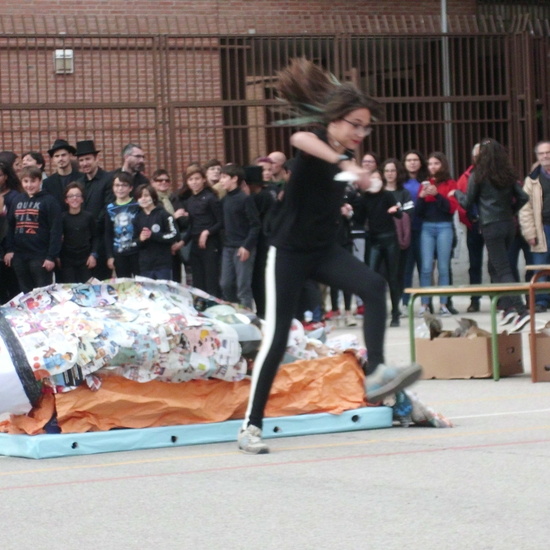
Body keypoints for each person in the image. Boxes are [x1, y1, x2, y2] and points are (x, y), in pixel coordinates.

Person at [238, 58, 421, 454]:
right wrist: (345, 165)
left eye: (365, 126)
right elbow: (298, 141)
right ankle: (251, 427)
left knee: (374, 287)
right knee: (276, 339)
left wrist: (366, 182)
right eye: (354, 124)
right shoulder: (317, 144)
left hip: (322, 251)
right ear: (335, 120)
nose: (360, 132)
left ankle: (375, 375)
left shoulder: (346, 159)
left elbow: (350, 181)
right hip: (286, 253)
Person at [453, 138, 530, 331]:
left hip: (490, 226)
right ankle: (507, 308)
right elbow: (523, 197)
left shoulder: (477, 175)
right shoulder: (507, 174)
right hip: (508, 225)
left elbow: (467, 202)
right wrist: (511, 212)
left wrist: (456, 193)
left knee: (502, 269)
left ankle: (521, 311)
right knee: (495, 268)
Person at [3, 166, 62, 293]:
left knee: (43, 293)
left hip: (40, 257)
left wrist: (51, 256)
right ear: (21, 182)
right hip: (19, 256)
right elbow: (10, 226)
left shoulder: (50, 201)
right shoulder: (17, 200)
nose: (29, 185)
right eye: (25, 181)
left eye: (33, 181)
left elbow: (56, 231)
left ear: (40, 181)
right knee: (25, 293)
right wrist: (10, 249)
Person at [415, 151, 457, 316]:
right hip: (427, 227)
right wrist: (421, 197)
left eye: (436, 163)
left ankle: (443, 305)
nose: (432, 167)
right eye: (430, 164)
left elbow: (451, 208)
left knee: (443, 267)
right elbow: (418, 212)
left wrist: (437, 195)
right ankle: (425, 304)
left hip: (444, 226)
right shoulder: (425, 184)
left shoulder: (450, 183)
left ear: (443, 165)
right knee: (426, 267)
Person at [219, 163, 261, 310]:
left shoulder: (245, 199)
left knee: (243, 286)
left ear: (234, 178)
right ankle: (235, 312)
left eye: (224, 177)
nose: (221, 181)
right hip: (228, 247)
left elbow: (255, 225)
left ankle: (248, 317)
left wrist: (247, 245)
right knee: (225, 284)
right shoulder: (224, 200)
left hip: (243, 247)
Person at [75, 140, 114, 281]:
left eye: (88, 159)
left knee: (102, 282)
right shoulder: (79, 182)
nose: (84, 163)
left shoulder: (108, 179)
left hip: (102, 237)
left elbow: (108, 206)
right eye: (81, 160)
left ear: (96, 159)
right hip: (83, 241)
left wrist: (92, 225)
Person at [180, 165, 222, 296]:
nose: (194, 182)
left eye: (197, 178)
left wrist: (207, 232)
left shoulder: (211, 198)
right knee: (198, 282)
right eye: (191, 179)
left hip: (210, 244)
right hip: (195, 245)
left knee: (211, 281)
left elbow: (221, 222)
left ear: (204, 179)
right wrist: (182, 243)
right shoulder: (189, 201)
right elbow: (191, 226)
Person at [381, 157, 414, 324]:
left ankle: (397, 310)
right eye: (387, 171)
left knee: (397, 276)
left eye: (393, 170)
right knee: (380, 275)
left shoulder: (404, 192)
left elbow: (409, 214)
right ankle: (381, 310)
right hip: (380, 241)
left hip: (400, 242)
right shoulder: (378, 192)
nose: (390, 174)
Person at [519, 140, 550, 312]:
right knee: (541, 266)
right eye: (542, 153)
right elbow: (525, 208)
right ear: (537, 156)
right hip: (542, 228)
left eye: (548, 152)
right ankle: (542, 301)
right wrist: (529, 232)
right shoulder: (531, 180)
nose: (546, 156)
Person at [455, 143, 484, 313]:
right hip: (473, 224)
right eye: (477, 154)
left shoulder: (497, 174)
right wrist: (467, 220)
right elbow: (460, 202)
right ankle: (475, 300)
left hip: (491, 224)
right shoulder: (466, 176)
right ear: (473, 157)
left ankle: (503, 300)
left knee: (496, 265)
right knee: (474, 265)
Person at [401, 149, 429, 312]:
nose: (412, 163)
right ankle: (405, 303)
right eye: (409, 160)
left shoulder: (425, 181)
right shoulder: (401, 183)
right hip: (406, 231)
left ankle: (426, 304)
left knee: (425, 268)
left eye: (415, 160)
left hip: (423, 229)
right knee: (406, 269)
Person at [133, 184, 179, 280]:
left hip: (163, 265)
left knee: (163, 293)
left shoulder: (164, 215)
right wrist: (140, 239)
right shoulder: (137, 218)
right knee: (147, 294)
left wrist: (153, 235)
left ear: (153, 197)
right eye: (140, 197)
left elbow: (175, 235)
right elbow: (133, 242)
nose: (143, 199)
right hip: (145, 266)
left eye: (146, 195)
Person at [58, 182, 98, 283]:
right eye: (71, 196)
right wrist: (57, 256)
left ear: (82, 199)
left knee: (87, 288)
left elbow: (96, 237)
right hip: (67, 260)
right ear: (66, 200)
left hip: (85, 259)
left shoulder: (88, 217)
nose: (74, 198)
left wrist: (93, 255)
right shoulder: (61, 218)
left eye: (77, 195)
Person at [150, 169, 185, 283]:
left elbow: (184, 221)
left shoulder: (174, 198)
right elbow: (154, 223)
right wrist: (173, 216)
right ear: (152, 183)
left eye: (166, 180)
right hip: (159, 247)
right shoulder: (151, 201)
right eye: (159, 180)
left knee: (176, 280)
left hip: (176, 245)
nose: (163, 182)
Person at [104, 172, 140, 278]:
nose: (120, 189)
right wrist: (110, 256)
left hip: (136, 252)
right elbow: (108, 233)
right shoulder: (110, 208)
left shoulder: (137, 205)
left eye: (124, 185)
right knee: (124, 285)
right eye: (117, 185)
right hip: (119, 253)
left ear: (130, 188)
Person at [0, 162, 23, 302]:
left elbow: (14, 225)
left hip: (9, 250)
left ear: (6, 176)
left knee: (13, 292)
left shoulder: (14, 197)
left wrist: (11, 248)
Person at [42, 139, 82, 207]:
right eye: (57, 156)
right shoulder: (47, 183)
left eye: (63, 155)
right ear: (53, 159)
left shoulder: (82, 178)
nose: (60, 158)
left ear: (70, 155)